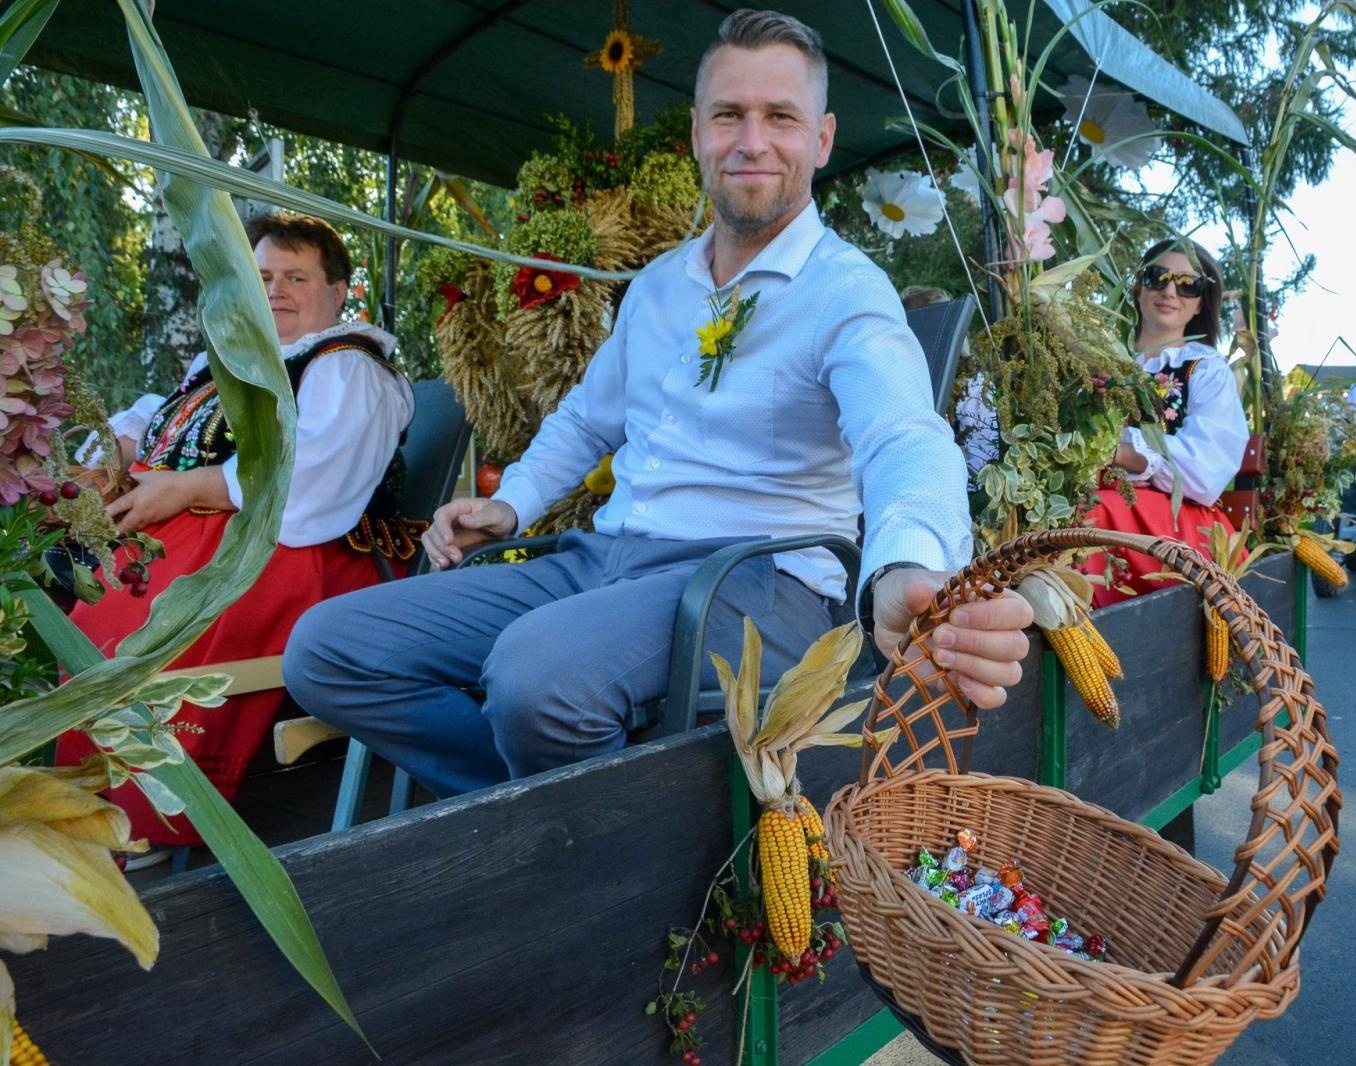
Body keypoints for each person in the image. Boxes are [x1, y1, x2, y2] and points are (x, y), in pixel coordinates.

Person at [283, 10, 1032, 800]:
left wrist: (908, 565)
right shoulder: (657, 287)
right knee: (329, 650)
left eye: (780, 117)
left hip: (759, 579)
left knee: (536, 678)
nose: (752, 141)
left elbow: (903, 436)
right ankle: (530, 811)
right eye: (728, 116)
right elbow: (585, 418)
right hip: (607, 560)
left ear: (821, 139)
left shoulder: (845, 291)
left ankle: (559, 831)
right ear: (697, 136)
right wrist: (515, 505)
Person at [55, 212, 415, 858]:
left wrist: (188, 489)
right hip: (213, 539)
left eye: (296, 277)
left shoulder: (347, 367)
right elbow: (154, 416)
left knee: (163, 616)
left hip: (303, 552)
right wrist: (121, 449)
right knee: (101, 598)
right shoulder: (227, 360)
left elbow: (309, 485)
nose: (275, 290)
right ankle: (79, 799)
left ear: (337, 293)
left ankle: (146, 821)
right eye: (263, 276)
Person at [1078, 240, 1249, 607]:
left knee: (1090, 513)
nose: (1170, 291)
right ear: (1138, 286)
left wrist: (1126, 455)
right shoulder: (1096, 357)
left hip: (1178, 516)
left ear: (1201, 302)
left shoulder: (1204, 368)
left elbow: (1205, 471)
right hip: (1099, 498)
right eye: (1158, 278)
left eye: (1188, 284)